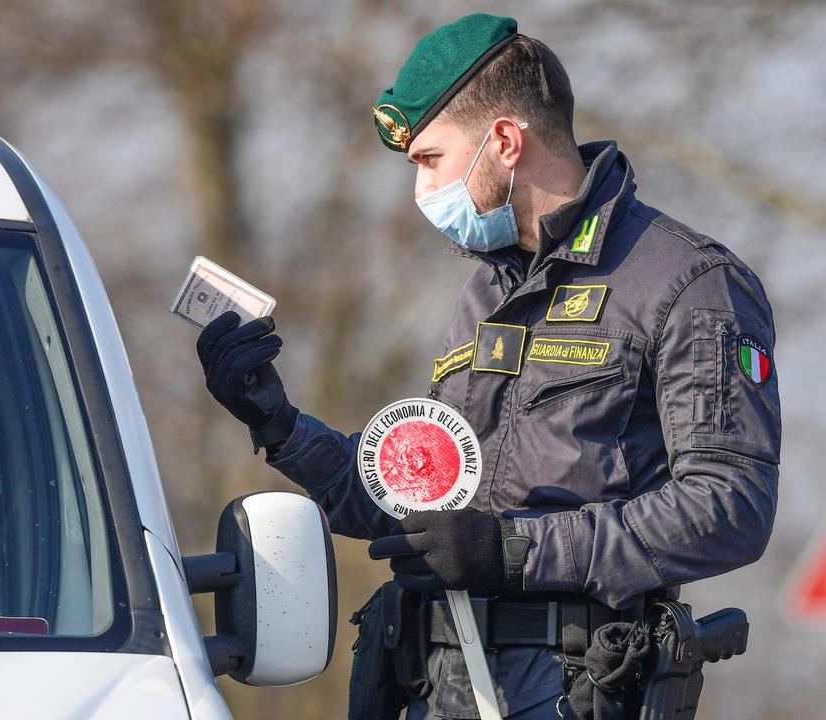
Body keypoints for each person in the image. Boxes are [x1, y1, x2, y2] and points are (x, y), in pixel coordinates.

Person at [196, 13, 779, 719]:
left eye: (430, 161)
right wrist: (280, 424)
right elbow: (425, 508)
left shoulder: (685, 281)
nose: (420, 193)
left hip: (576, 690)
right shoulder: (487, 290)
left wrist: (519, 550)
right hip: (434, 685)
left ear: (504, 141)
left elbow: (730, 506)